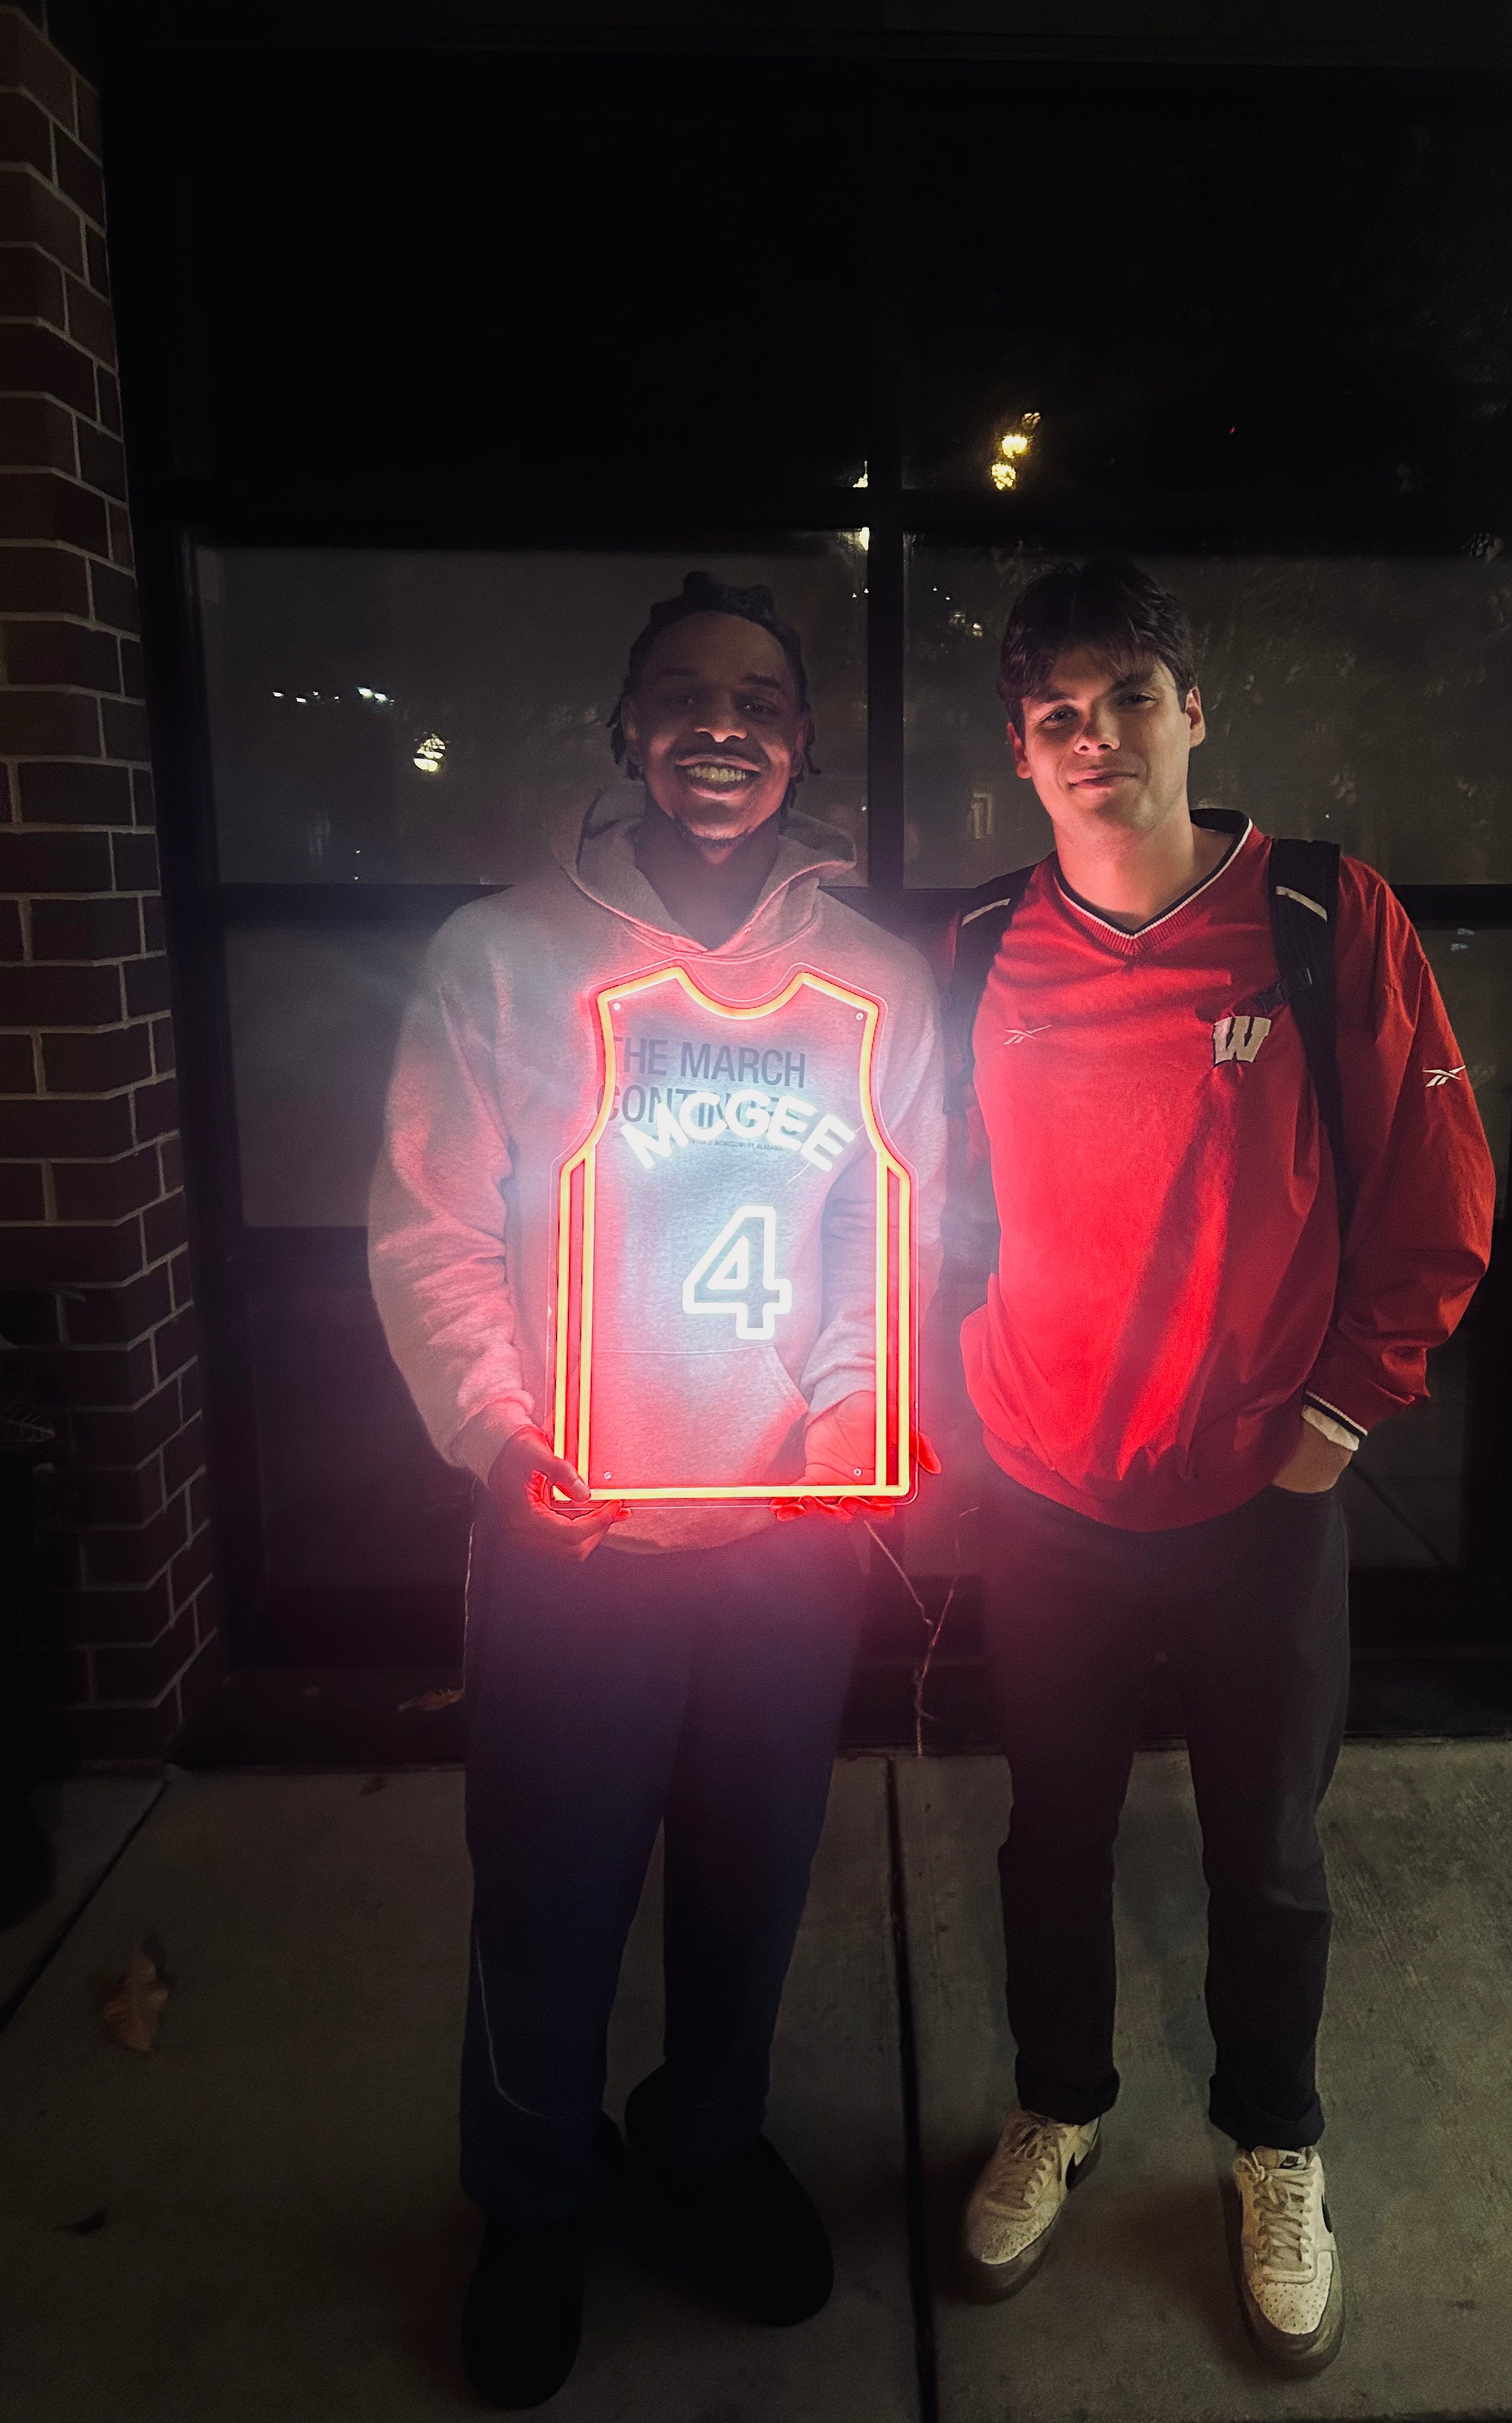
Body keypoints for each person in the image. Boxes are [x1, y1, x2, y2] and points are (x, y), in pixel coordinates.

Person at [369, 571, 943, 2409]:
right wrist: (497, 1431)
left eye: (760, 699)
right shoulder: (502, 957)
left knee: (752, 1878)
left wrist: (855, 1415)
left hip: (783, 1537)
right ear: (626, 731)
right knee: (548, 1891)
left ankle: (705, 2144)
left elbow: (882, 1229)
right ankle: (536, 2194)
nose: (722, 724)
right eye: (684, 693)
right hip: (577, 1531)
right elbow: (434, 1229)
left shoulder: (877, 980)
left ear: (802, 742)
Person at [945, 555, 1495, 2375]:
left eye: (1127, 696)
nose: (1092, 736)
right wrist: (957, 1402)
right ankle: (1057, 2104)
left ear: (1193, 711)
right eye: (1055, 713)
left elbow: (1437, 1194)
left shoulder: (1323, 915)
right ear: (1022, 754)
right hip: (1048, 1495)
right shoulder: (976, 951)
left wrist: (1337, 1422)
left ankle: (1276, 2143)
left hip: (1260, 1492)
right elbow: (916, 1195)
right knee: (1054, 1832)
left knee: (1264, 1851)